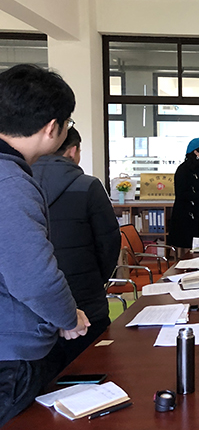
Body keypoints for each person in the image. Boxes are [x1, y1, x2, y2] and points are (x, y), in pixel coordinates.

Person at [0, 64, 90, 426]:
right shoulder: (10, 183)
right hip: (11, 358)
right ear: (53, 127)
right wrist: (68, 317)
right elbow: (35, 278)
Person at [32, 127, 120, 368]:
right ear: (73, 151)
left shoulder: (17, 184)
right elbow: (109, 243)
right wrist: (96, 279)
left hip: (33, 313)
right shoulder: (88, 186)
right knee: (94, 374)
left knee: (43, 383)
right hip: (86, 302)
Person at [169, 137, 199, 254]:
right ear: (196, 152)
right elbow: (182, 194)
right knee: (189, 249)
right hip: (187, 214)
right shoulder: (184, 170)